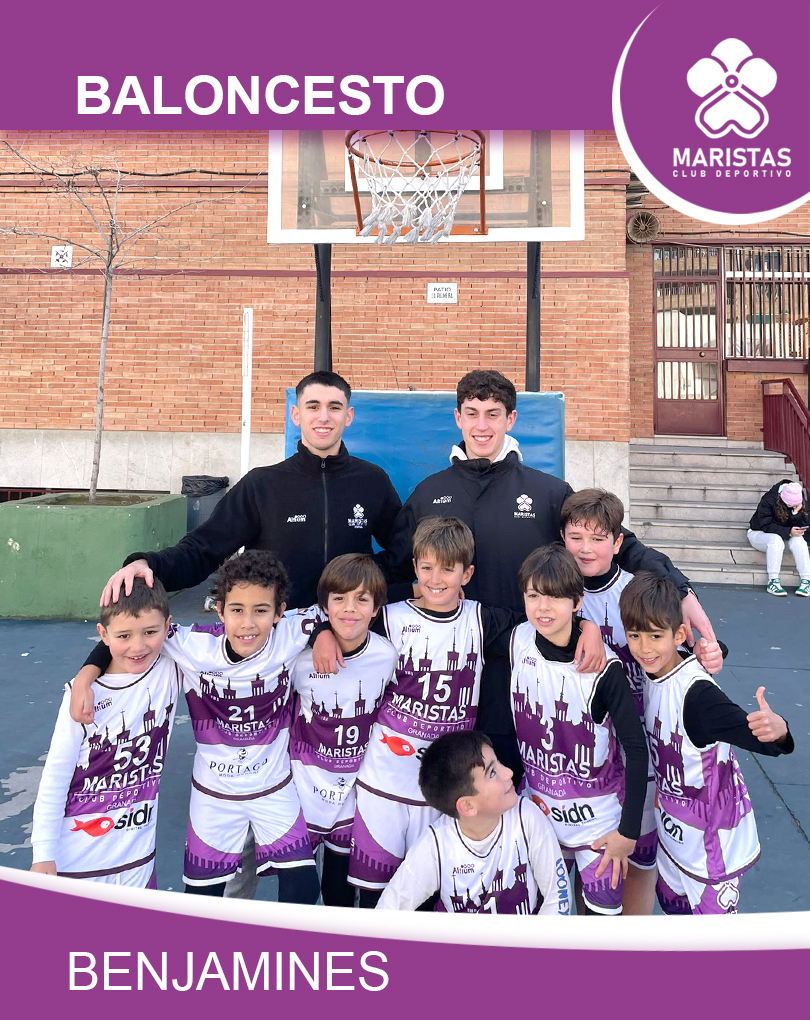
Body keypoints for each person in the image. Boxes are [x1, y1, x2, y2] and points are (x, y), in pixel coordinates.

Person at [380, 369, 715, 775]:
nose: (481, 425)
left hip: (527, 665)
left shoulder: (546, 492)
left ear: (512, 419)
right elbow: (393, 568)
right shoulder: (429, 492)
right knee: (452, 782)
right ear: (458, 418)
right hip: (444, 672)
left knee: (518, 776)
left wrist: (681, 590)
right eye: (472, 413)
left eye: (493, 413)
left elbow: (614, 541)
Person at [71, 550, 323, 903]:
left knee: (303, 888)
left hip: (274, 789)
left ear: (280, 612)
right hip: (213, 796)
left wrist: (324, 635)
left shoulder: (293, 631)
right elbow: (133, 630)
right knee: (201, 900)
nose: (248, 623)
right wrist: (86, 674)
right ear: (219, 609)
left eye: (261, 610)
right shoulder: (192, 644)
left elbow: (335, 612)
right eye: (236, 610)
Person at [98, 371, 403, 613]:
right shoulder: (263, 484)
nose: (324, 417)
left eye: (334, 407)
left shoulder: (372, 480)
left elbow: (404, 552)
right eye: (313, 406)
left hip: (350, 634)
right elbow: (204, 548)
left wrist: (369, 583)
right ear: (296, 415)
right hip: (277, 638)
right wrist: (148, 563)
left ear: (347, 417)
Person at [561, 487, 724, 915]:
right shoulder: (556, 594)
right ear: (562, 538)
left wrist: (712, 648)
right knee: (591, 861)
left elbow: (678, 644)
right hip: (583, 750)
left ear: (618, 543)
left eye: (598, 539)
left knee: (639, 856)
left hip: (643, 747)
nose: (586, 549)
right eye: (576, 537)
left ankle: (632, 943)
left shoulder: (638, 588)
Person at [347, 516, 521, 906]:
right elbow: (341, 621)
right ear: (414, 568)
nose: (436, 578)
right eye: (426, 567)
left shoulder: (481, 619)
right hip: (385, 783)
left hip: (443, 789)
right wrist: (324, 634)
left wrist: (588, 629)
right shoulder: (389, 618)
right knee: (375, 896)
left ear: (468, 573)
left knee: (430, 898)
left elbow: (540, 625)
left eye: (447, 568)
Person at [619, 572, 794, 914]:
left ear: (679, 634)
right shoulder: (649, 671)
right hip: (675, 839)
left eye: (655, 636)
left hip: (713, 850)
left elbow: (756, 736)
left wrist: (779, 730)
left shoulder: (698, 697)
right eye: (634, 635)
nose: (643, 647)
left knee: (714, 953)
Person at [511, 544, 648, 915]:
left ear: (576, 601)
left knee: (597, 938)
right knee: (542, 925)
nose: (543, 607)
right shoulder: (517, 638)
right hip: (537, 816)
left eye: (555, 597)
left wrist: (628, 832)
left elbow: (637, 750)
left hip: (597, 825)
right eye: (534, 595)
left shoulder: (605, 669)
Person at [31, 579, 180, 887]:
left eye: (150, 633)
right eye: (124, 636)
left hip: (138, 860)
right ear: (103, 635)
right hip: (77, 863)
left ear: (168, 626)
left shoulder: (172, 668)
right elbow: (56, 774)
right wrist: (43, 853)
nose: (138, 646)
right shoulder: (82, 695)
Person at [289, 554, 397, 907]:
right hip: (302, 788)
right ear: (324, 606)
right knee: (300, 892)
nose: (350, 609)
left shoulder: (387, 656)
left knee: (338, 890)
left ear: (376, 609)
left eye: (362, 599)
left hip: (353, 793)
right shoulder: (298, 659)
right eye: (339, 599)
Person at [377, 730, 571, 915]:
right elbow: (388, 910)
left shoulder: (527, 816)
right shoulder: (435, 844)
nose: (509, 773)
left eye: (499, 763)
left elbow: (558, 897)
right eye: (492, 773)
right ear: (468, 806)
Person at [747, 479, 810, 597]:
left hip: (784, 537)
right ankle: (773, 580)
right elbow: (765, 525)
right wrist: (788, 531)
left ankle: (806, 580)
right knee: (775, 540)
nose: (793, 507)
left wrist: (795, 514)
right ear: (783, 499)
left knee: (799, 541)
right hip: (759, 534)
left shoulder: (798, 497)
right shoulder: (769, 500)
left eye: (795, 505)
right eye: (790, 505)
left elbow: (802, 523)